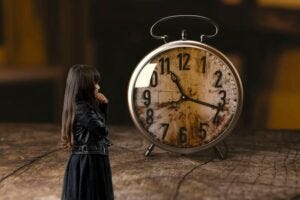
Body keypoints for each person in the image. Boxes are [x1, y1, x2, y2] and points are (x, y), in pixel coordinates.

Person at [59, 64, 114, 200]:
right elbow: (102, 130)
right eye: (95, 83)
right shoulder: (82, 109)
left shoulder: (81, 106)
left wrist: (102, 107)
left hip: (91, 158)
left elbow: (100, 128)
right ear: (85, 86)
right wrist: (103, 107)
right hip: (88, 161)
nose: (98, 87)